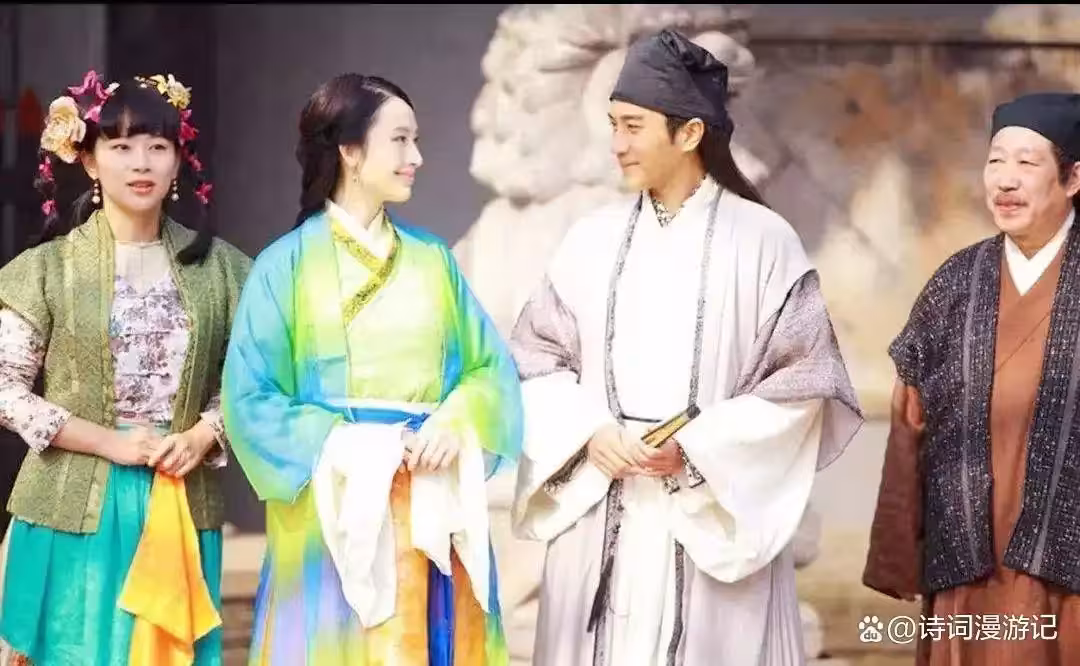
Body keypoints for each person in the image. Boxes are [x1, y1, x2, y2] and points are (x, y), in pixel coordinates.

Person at [508, 28, 864, 666]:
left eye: (633, 126)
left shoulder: (763, 240)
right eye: (613, 125)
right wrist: (590, 432)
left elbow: (803, 381)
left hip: (709, 519)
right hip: (602, 503)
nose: (617, 144)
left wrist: (698, 448)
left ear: (690, 132)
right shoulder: (589, 239)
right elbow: (534, 357)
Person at [221, 73, 523, 665]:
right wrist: (357, 447)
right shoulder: (284, 266)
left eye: (416, 141)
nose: (417, 157)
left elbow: (489, 367)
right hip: (332, 504)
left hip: (430, 493)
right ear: (351, 151)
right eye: (400, 140)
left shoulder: (434, 260)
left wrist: (456, 421)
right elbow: (251, 398)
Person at [0, 69, 252, 666]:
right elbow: (5, 389)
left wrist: (203, 434)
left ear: (177, 161)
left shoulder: (224, 269)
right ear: (89, 161)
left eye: (157, 146)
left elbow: (254, 381)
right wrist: (110, 443)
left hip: (180, 495)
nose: (141, 163)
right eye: (120, 146)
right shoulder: (46, 268)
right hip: (70, 504)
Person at [864, 93, 1080, 664]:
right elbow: (908, 423)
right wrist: (899, 549)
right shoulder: (956, 282)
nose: (1005, 180)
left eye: (1027, 163)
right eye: (995, 161)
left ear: (1073, 178)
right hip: (967, 566)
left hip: (1069, 575)